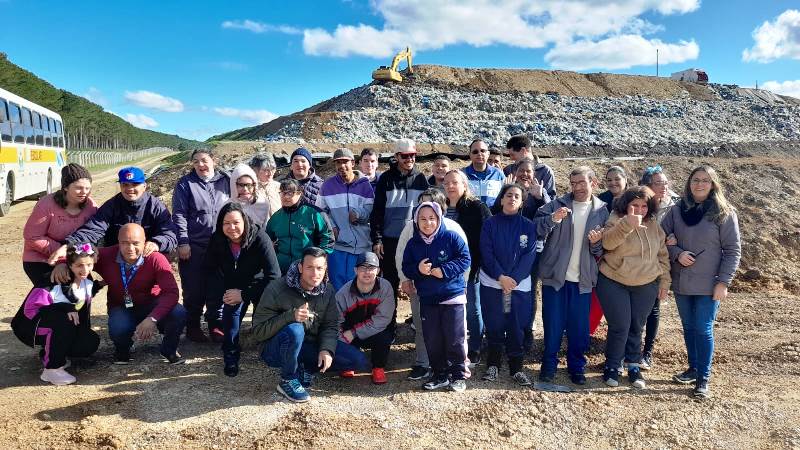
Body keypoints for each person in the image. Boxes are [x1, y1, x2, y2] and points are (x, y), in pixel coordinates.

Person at [662, 165, 741, 399]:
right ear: (689, 183)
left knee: (703, 328)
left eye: (705, 180)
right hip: (682, 281)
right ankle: (694, 368)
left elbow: (732, 250)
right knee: (688, 327)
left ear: (713, 184)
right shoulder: (676, 210)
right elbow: (661, 239)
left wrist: (723, 282)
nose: (700, 184)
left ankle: (702, 379)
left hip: (709, 283)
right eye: (696, 179)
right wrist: (677, 253)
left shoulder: (724, 212)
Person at [253, 247, 368, 403]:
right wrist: (290, 316)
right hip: (275, 350)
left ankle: (306, 368)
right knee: (295, 329)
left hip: (307, 346)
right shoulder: (277, 288)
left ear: (325, 269)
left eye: (319, 268)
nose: (315, 273)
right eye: (309, 267)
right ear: (300, 267)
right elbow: (259, 331)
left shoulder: (328, 290)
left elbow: (330, 325)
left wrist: (326, 349)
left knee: (356, 360)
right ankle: (288, 379)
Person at [533, 166, 608, 385]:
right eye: (573, 183)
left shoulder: (602, 211)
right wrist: (553, 219)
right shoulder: (557, 205)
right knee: (553, 325)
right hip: (555, 277)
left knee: (579, 329)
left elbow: (601, 251)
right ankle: (548, 366)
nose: (577, 188)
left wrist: (596, 244)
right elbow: (536, 228)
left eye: (582, 183)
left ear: (593, 183)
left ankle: (576, 367)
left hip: (583, 280)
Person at [596, 186, 670, 389]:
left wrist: (665, 282)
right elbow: (608, 243)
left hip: (646, 283)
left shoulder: (654, 224)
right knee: (620, 326)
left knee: (637, 326)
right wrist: (627, 224)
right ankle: (612, 365)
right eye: (634, 205)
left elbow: (662, 256)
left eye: (644, 206)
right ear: (626, 205)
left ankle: (633, 365)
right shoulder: (615, 218)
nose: (639, 210)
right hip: (614, 280)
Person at [396, 188, 468, 380]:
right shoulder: (412, 237)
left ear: (439, 213)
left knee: (454, 336)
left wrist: (447, 272)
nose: (427, 222)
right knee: (429, 335)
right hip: (425, 295)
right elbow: (404, 260)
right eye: (422, 217)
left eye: (431, 217)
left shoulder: (452, 232)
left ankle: (458, 373)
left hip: (452, 294)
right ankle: (432, 370)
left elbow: (464, 259)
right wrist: (411, 274)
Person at [203, 202, 281, 376]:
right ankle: (231, 354)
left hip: (260, 285)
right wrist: (224, 293)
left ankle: (268, 348)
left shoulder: (260, 237)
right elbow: (210, 269)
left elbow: (274, 275)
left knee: (264, 320)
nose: (232, 228)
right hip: (234, 285)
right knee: (231, 316)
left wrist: (244, 294)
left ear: (244, 221)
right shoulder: (218, 239)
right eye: (226, 223)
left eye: (236, 222)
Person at [11, 243, 103, 385]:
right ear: (70, 265)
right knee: (64, 320)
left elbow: (80, 297)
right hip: (31, 325)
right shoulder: (54, 280)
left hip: (58, 324)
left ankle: (51, 353)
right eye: (79, 265)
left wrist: (101, 284)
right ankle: (52, 369)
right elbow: (31, 309)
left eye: (89, 265)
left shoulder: (86, 281)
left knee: (89, 341)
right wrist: (65, 307)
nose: (85, 270)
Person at [94, 223, 186, 364]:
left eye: (136, 243)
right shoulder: (105, 255)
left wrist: (153, 318)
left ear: (145, 242)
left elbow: (172, 293)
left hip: (151, 304)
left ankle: (169, 349)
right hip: (121, 306)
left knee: (178, 312)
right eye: (125, 243)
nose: (130, 248)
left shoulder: (155, 258)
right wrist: (62, 264)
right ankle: (123, 349)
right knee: (119, 327)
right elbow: (75, 257)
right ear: (118, 242)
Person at [49, 167, 177, 263]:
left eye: (135, 184)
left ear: (144, 186)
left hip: (146, 258)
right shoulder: (112, 205)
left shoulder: (156, 207)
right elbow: (93, 229)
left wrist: (156, 243)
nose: (130, 189)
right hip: (118, 259)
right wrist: (70, 245)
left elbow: (170, 235)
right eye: (125, 184)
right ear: (120, 186)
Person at [479, 184, 538, 386]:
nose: (512, 198)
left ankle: (516, 369)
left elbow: (529, 255)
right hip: (493, 283)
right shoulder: (490, 223)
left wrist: (513, 279)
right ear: (502, 199)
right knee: (494, 325)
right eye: (509, 195)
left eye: (517, 196)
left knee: (516, 325)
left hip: (518, 285)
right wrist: (500, 277)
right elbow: (486, 252)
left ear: (522, 202)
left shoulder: (528, 226)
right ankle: (493, 365)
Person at [172, 148, 231, 343]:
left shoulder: (226, 181)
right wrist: (183, 242)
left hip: (221, 244)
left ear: (214, 160)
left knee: (218, 287)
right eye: (196, 161)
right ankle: (193, 325)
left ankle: (215, 324)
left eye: (204, 160)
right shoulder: (185, 184)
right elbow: (179, 214)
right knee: (193, 287)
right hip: (194, 245)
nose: (200, 165)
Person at [491, 158, 551, 351]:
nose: (525, 174)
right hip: (506, 251)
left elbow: (549, 217)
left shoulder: (538, 193)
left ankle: (526, 330)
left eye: (529, 171)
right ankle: (504, 329)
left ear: (534, 174)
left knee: (528, 291)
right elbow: (494, 213)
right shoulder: (509, 192)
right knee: (505, 288)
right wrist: (503, 190)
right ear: (515, 172)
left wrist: (540, 197)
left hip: (531, 252)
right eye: (521, 170)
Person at [443, 169, 491, 365]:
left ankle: (475, 347)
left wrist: (478, 265)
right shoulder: (439, 207)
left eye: (455, 182)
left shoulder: (477, 207)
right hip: (444, 269)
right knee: (449, 310)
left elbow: (487, 238)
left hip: (469, 267)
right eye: (446, 183)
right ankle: (452, 347)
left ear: (464, 185)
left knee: (472, 309)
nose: (450, 186)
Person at [23, 163, 98, 287]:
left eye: (87, 188)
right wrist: (63, 256)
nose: (84, 192)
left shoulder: (91, 206)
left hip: (75, 258)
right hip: (41, 259)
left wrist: (73, 254)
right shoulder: (46, 205)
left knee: (85, 289)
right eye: (78, 188)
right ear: (66, 187)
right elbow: (32, 237)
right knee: (57, 291)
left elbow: (94, 232)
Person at [370, 138, 429, 293]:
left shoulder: (421, 179)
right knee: (390, 283)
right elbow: (377, 211)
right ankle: (390, 311)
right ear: (396, 156)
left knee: (417, 282)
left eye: (412, 155)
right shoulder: (385, 179)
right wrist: (377, 239)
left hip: (414, 239)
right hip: (390, 241)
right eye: (405, 156)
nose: (409, 159)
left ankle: (416, 311)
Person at [637, 165, 680, 369]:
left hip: (659, 265)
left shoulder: (675, 206)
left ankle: (647, 352)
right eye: (658, 183)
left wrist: (675, 238)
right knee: (634, 310)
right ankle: (630, 350)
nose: (663, 187)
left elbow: (683, 231)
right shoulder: (639, 204)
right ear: (648, 186)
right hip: (636, 264)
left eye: (665, 182)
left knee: (653, 309)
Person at [316, 148, 374, 290]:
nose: (342, 166)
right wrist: (332, 226)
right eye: (338, 163)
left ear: (353, 163)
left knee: (359, 287)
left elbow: (371, 210)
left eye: (345, 162)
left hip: (361, 245)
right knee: (338, 288)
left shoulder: (365, 185)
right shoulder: (327, 186)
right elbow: (320, 211)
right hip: (338, 247)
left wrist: (358, 214)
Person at [335, 252, 395, 384]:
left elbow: (382, 319)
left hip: (374, 331)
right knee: (342, 336)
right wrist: (340, 341)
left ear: (378, 270)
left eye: (371, 268)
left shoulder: (385, 288)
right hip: (350, 334)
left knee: (385, 335)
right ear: (355, 270)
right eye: (363, 268)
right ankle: (348, 363)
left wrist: (354, 332)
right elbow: (336, 321)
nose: (367, 272)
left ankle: (378, 367)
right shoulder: (343, 293)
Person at [266, 178, 334, 274]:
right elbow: (267, 239)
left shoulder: (314, 213)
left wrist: (317, 259)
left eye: (290, 193)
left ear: (299, 193)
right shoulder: (276, 217)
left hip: (306, 267)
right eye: (282, 193)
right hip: (281, 267)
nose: (286, 197)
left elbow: (328, 239)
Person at [504, 135, 556, 199]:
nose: (511, 158)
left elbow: (552, 200)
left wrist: (542, 196)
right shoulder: (508, 170)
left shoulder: (545, 172)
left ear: (523, 150)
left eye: (512, 155)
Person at [464, 139, 505, 207]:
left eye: (483, 151)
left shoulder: (499, 174)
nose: (479, 154)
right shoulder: (462, 174)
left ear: (488, 154)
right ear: (470, 155)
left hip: (492, 213)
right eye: (475, 152)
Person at [249, 152, 282, 218]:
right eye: (266, 170)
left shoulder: (279, 186)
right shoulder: (250, 189)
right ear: (255, 170)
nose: (270, 173)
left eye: (273, 169)